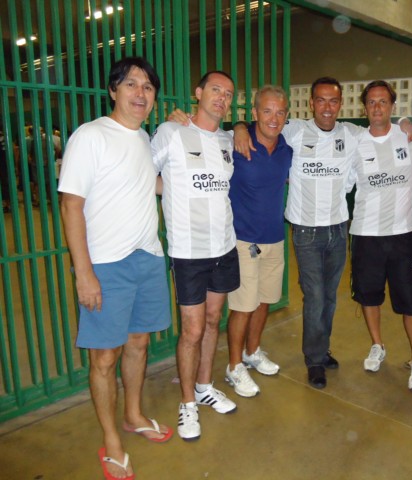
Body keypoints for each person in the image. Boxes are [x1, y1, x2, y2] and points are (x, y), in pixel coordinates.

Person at [58, 57, 173, 480]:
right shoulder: (90, 136)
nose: (140, 93)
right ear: (113, 90)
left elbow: (155, 184)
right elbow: (71, 204)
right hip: (105, 264)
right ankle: (111, 439)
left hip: (147, 257)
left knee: (138, 343)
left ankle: (133, 414)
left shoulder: (146, 140)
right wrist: (83, 272)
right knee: (104, 358)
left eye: (147, 86)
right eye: (131, 84)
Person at [234, 77, 360, 389]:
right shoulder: (294, 131)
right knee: (315, 296)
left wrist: (410, 126)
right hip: (305, 230)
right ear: (310, 104)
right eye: (320, 100)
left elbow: (383, 135)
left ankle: (321, 347)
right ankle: (314, 359)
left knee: (329, 297)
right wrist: (238, 125)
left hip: (338, 229)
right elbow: (255, 127)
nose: (327, 107)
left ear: (340, 104)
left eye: (333, 101)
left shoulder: (351, 134)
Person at [151, 71, 239, 442]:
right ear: (198, 92)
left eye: (229, 93)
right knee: (191, 329)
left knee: (213, 320)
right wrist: (169, 192)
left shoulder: (226, 140)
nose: (222, 97)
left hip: (224, 247)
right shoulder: (171, 132)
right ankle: (187, 402)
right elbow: (142, 174)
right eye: (215, 89)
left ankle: (205, 385)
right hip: (188, 251)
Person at [347, 80, 412, 391]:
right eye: (371, 102)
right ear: (364, 107)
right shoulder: (356, 142)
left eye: (383, 102)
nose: (377, 108)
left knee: (410, 300)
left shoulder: (409, 134)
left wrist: (409, 122)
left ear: (393, 107)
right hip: (366, 234)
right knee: (369, 296)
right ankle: (378, 345)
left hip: (402, 235)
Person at [226, 85, 293, 396]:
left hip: (274, 239)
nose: (273, 118)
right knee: (243, 306)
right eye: (267, 111)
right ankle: (234, 366)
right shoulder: (235, 144)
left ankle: (253, 352)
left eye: (280, 112)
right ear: (253, 114)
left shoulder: (286, 151)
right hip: (243, 241)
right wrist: (237, 127)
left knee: (265, 300)